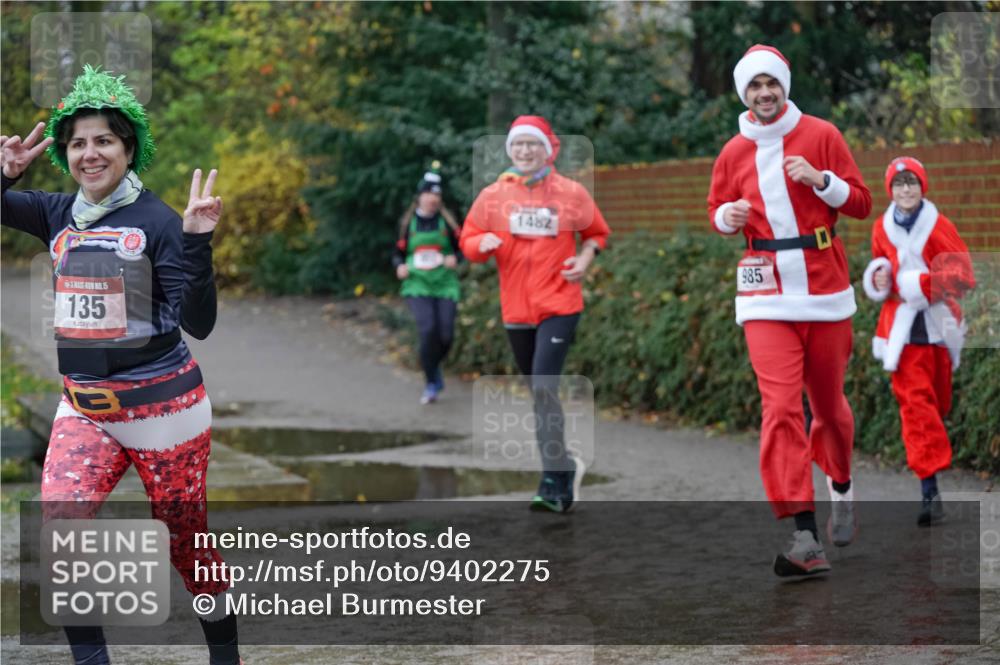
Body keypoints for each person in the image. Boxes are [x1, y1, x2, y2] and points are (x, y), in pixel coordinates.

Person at [1, 66, 241, 665]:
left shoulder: (159, 222)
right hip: (86, 410)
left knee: (187, 546)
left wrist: (196, 241)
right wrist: (1, 174)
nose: (90, 153)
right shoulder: (55, 213)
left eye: (104, 140)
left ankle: (225, 656)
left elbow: (200, 322)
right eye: (78, 142)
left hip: (167, 413)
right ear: (65, 153)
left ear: (128, 148)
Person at [706, 46, 873, 576]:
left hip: (824, 288)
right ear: (743, 95)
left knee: (828, 410)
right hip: (764, 293)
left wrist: (822, 181)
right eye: (754, 87)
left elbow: (864, 203)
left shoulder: (822, 134)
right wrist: (727, 218)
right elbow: (715, 210)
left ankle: (841, 488)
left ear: (784, 86)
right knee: (780, 409)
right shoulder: (733, 151)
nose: (764, 94)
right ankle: (804, 535)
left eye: (771, 84)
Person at [460, 115, 610, 513]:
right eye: (518, 145)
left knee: (544, 385)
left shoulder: (570, 193)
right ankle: (562, 468)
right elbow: (467, 240)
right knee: (538, 394)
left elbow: (597, 232)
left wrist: (584, 258)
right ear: (510, 150)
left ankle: (554, 478)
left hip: (559, 304)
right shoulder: (494, 195)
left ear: (548, 149)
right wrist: (483, 243)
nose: (525, 151)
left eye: (533, 145)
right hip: (516, 310)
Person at [861, 156, 975, 526]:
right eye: (898, 183)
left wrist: (920, 285)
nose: (905, 189)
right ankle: (929, 489)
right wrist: (879, 278)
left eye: (911, 182)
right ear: (890, 190)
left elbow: (964, 275)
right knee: (915, 406)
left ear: (922, 186)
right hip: (901, 331)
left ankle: (933, 473)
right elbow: (881, 266)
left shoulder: (939, 225)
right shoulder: (881, 227)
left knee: (937, 403)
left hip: (938, 326)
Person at [392, 163, 462, 404]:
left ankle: (434, 366)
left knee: (446, 335)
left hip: (445, 283)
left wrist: (456, 258)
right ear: (420, 196)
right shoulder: (406, 224)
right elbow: (396, 254)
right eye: (429, 194)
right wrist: (399, 266)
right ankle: (431, 381)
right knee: (427, 329)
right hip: (417, 284)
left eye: (437, 195)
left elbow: (464, 248)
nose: (433, 199)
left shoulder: (449, 224)